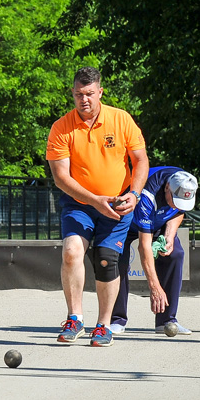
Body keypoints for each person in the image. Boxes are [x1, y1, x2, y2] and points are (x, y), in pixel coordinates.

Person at [46, 66, 149, 347]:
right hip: (79, 204)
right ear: (72, 93)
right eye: (79, 94)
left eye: (90, 93)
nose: (84, 100)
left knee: (106, 259)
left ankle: (104, 325)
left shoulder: (121, 119)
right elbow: (60, 177)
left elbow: (140, 161)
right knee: (71, 252)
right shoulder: (61, 127)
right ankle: (74, 318)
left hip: (117, 203)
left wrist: (135, 194)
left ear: (100, 92)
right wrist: (94, 200)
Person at [111, 167, 198, 336]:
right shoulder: (147, 195)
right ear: (167, 188)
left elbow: (179, 211)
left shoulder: (186, 184)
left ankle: (166, 320)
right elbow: (144, 246)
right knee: (117, 260)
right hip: (124, 220)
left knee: (175, 254)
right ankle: (116, 320)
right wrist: (155, 287)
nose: (175, 204)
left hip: (157, 221)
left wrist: (169, 236)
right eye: (174, 199)